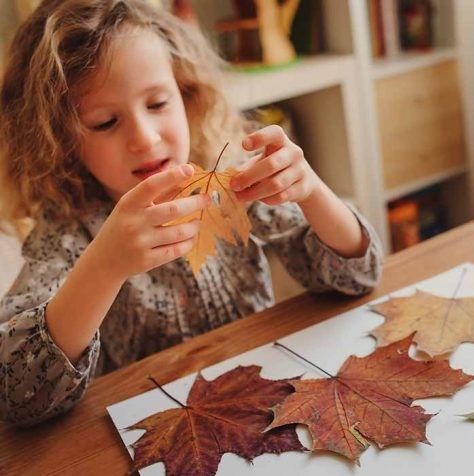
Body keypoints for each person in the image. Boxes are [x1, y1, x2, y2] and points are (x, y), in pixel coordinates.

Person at [0, 0, 383, 426]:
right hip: (153, 426)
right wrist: (103, 267)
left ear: (187, 95)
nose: (144, 139)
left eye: (158, 103)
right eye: (105, 122)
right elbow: (18, 394)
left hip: (264, 401)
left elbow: (358, 278)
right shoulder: (67, 230)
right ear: (59, 137)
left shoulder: (233, 179)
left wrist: (311, 191)